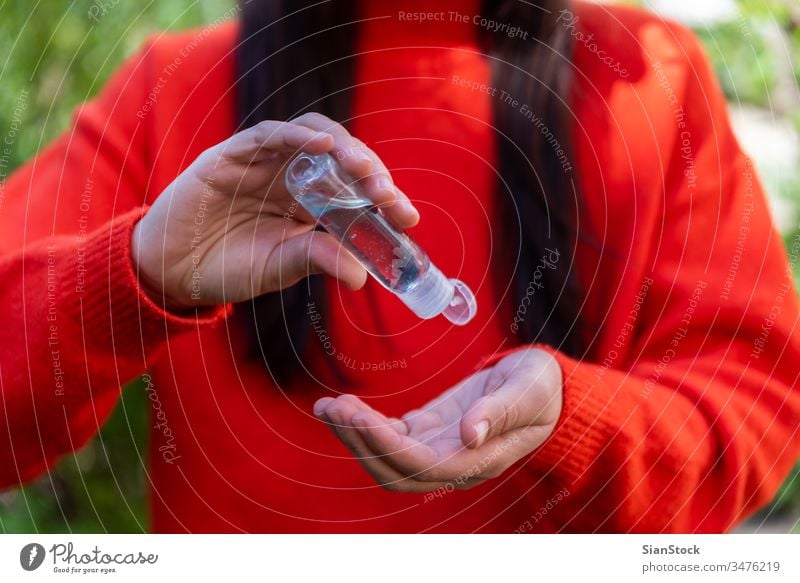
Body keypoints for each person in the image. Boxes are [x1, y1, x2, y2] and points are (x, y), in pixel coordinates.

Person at [1, 0, 798, 533]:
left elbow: (759, 401)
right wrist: (136, 275)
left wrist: (578, 421)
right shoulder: (171, 90)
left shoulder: (646, 79)